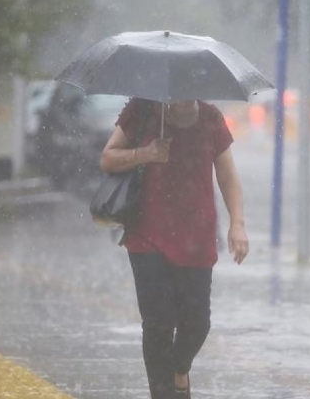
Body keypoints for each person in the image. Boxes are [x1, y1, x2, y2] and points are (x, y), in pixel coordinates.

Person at [100, 98, 249, 399]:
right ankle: (163, 393)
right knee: (158, 323)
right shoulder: (142, 110)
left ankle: (180, 369)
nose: (184, 95)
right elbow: (107, 158)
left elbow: (227, 175)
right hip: (147, 233)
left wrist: (237, 224)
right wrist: (146, 153)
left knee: (197, 322)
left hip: (197, 235)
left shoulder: (210, 118)